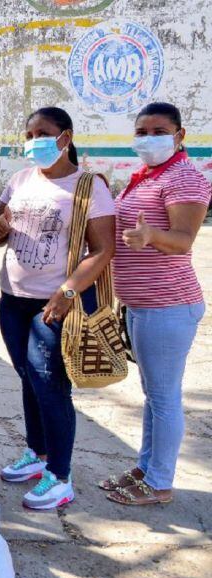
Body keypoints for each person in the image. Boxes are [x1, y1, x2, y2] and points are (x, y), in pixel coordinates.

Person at [0, 106, 115, 510]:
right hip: (13, 301)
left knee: (51, 387)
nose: (33, 142)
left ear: (65, 137)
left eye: (42, 133)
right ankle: (37, 453)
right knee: (28, 378)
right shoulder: (19, 179)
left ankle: (60, 476)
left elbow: (103, 249)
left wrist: (68, 291)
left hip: (55, 304)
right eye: (28, 135)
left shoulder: (88, 186)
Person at [99, 102, 211, 506]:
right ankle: (145, 468)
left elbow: (183, 240)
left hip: (167, 306)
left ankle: (159, 482)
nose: (148, 138)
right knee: (152, 395)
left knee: (164, 398)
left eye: (158, 130)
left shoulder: (184, 179)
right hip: (141, 306)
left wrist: (151, 237)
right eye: (142, 131)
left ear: (180, 135)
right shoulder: (147, 176)